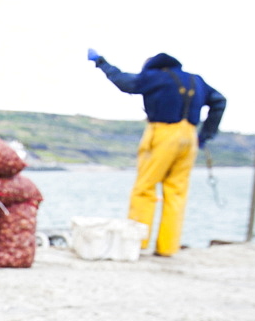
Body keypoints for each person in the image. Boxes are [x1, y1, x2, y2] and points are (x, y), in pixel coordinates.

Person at [87, 50, 226, 256]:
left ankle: (137, 243)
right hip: (190, 136)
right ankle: (168, 248)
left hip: (163, 133)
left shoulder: (155, 76)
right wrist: (205, 135)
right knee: (176, 192)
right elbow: (219, 101)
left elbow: (125, 82)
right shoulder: (196, 81)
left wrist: (102, 63)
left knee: (145, 188)